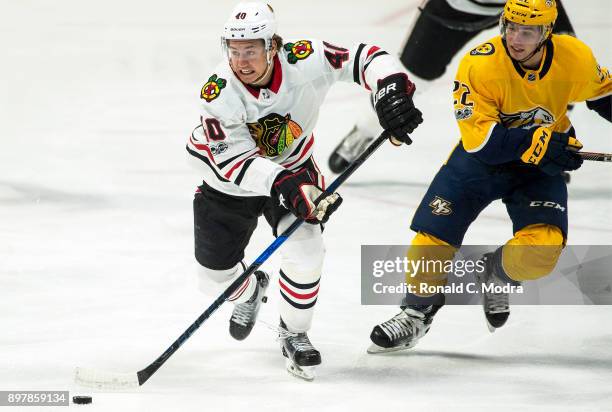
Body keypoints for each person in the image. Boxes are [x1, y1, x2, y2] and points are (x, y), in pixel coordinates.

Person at [186, 2, 423, 378]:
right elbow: (233, 161)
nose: (241, 61)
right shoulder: (218, 93)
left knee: (307, 244)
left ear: (273, 46)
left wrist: (390, 88)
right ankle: (249, 291)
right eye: (233, 50)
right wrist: (285, 184)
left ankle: (294, 333)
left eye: (250, 50)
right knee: (213, 278)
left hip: (293, 168)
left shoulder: (305, 58)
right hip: (228, 184)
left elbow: (365, 58)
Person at [368, 0, 611, 353]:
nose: (515, 37)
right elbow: (482, 143)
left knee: (541, 251)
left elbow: (604, 95)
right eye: (510, 26)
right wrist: (540, 140)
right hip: (482, 162)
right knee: (430, 242)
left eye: (527, 31)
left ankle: (496, 273)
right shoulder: (480, 64)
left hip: (538, 169)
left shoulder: (573, 56)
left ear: (546, 33)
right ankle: (417, 312)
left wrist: (544, 147)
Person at [328, 0, 576, 175]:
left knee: (560, 68)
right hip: (456, 8)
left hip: (529, 8)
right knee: (407, 82)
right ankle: (365, 129)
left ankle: (542, 148)